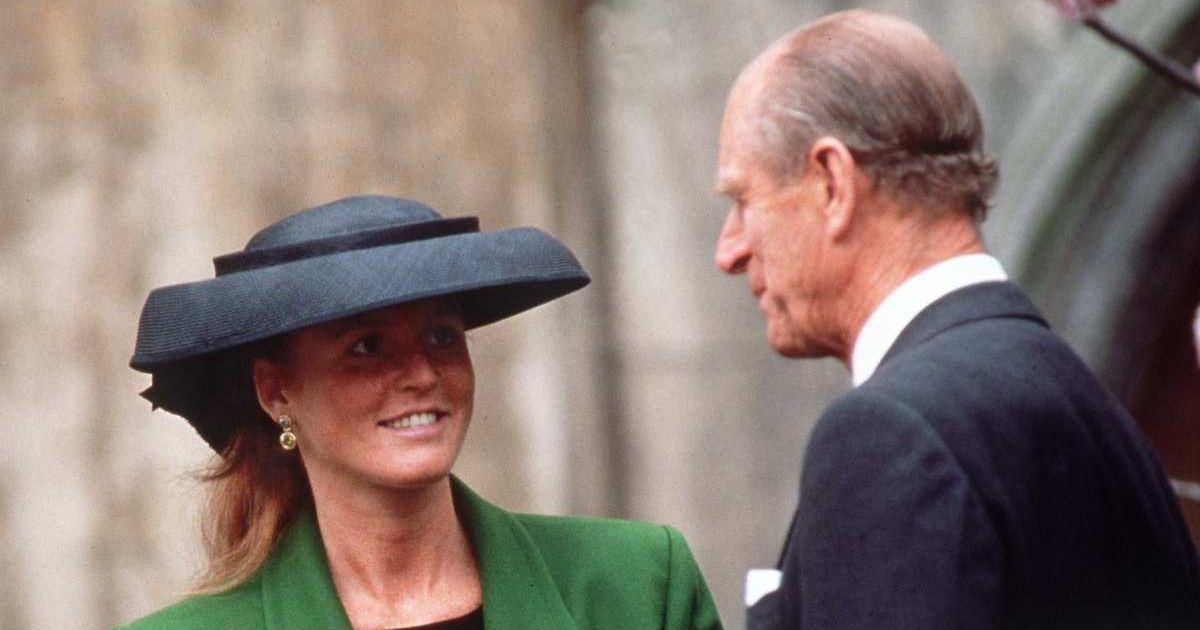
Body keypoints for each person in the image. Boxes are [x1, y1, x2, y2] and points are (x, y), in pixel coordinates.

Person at [713, 9, 1200, 630]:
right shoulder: (1090, 408)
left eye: (742, 201)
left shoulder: (890, 431)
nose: (729, 252)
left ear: (833, 183)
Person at [122, 195, 723, 629]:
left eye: (442, 336)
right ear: (277, 392)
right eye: (368, 347)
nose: (422, 375)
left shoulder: (638, 586)